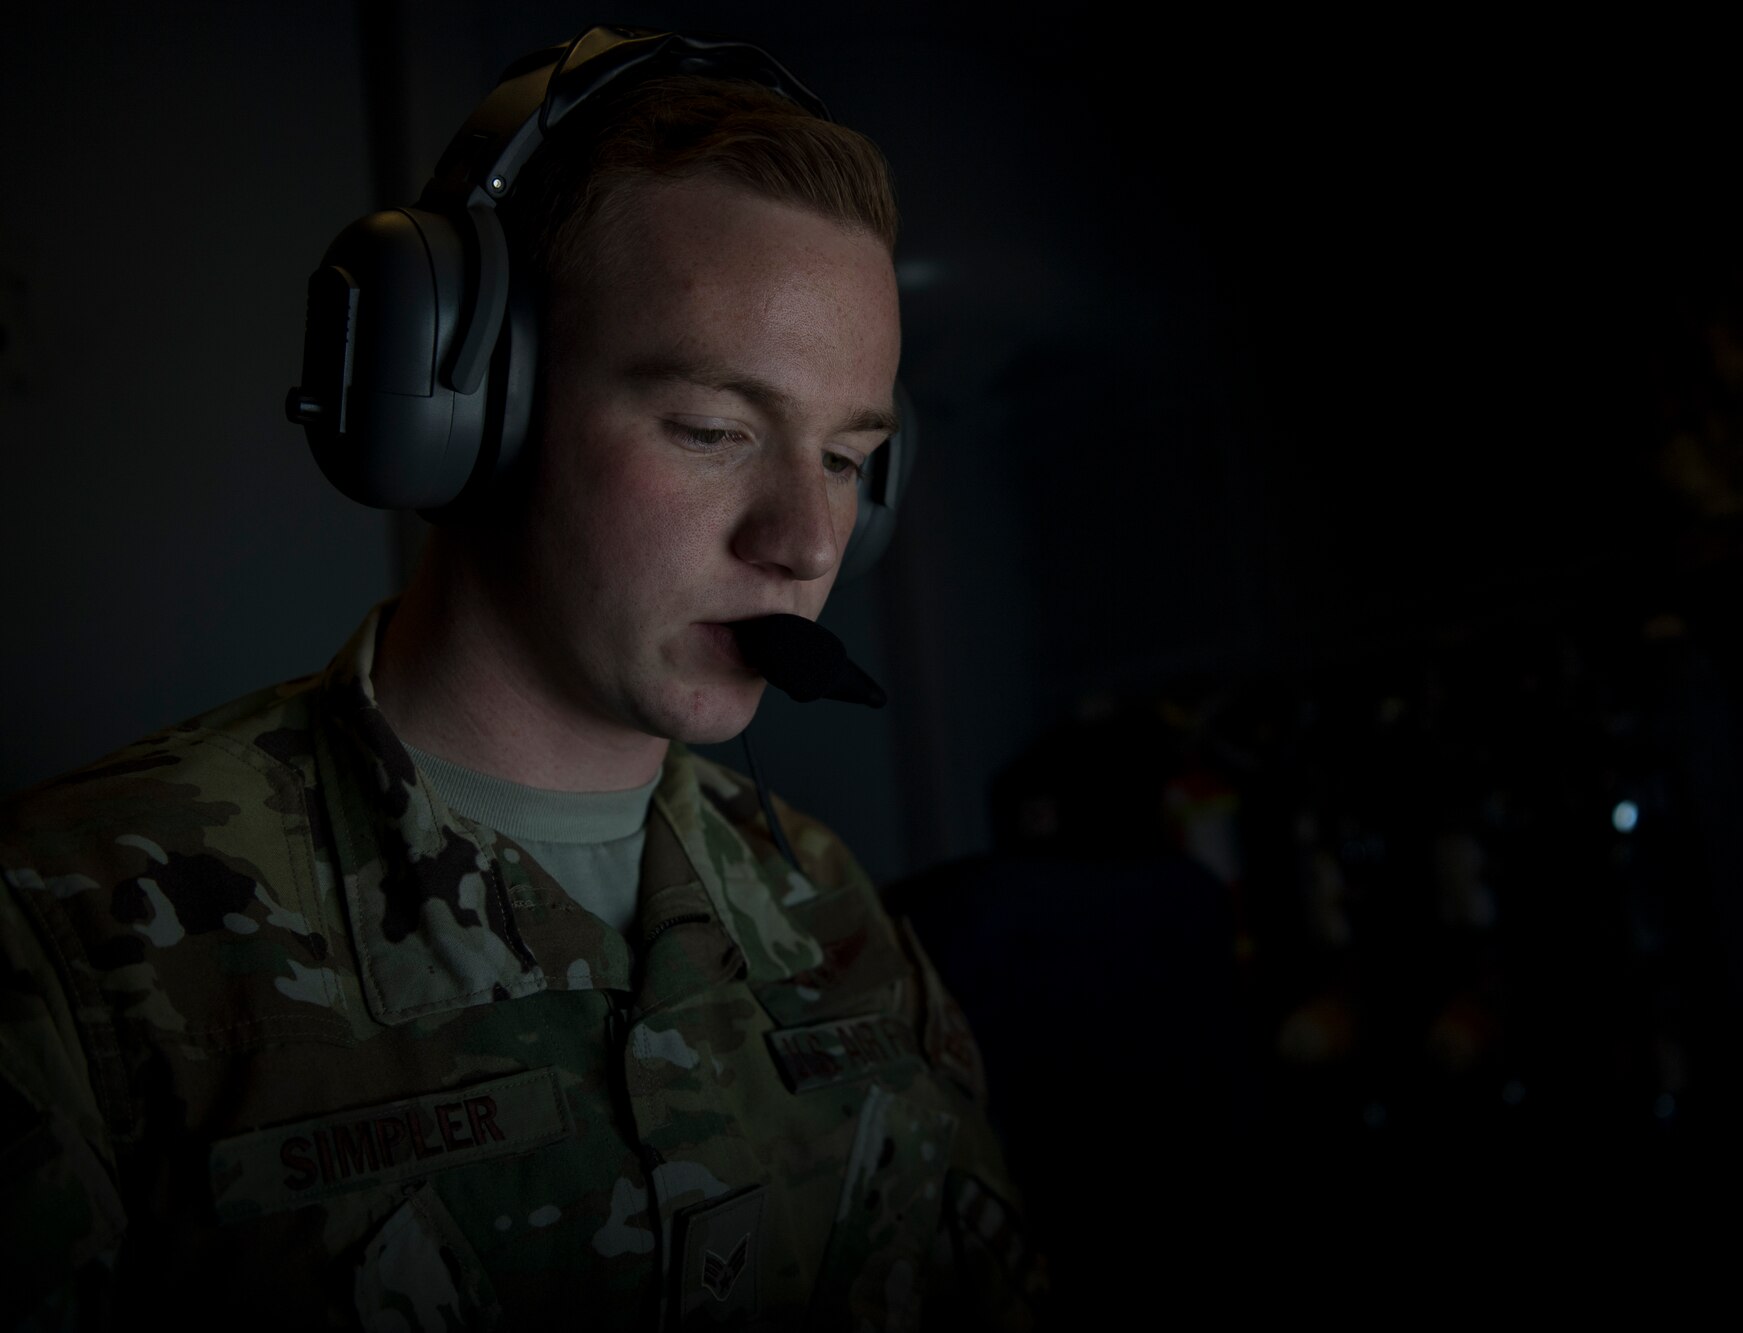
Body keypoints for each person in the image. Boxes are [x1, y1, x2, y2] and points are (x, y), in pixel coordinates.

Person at [0, 26, 1038, 1328]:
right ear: (463, 401)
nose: (809, 543)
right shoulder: (68, 939)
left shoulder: (833, 913)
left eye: (844, 459)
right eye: (716, 430)